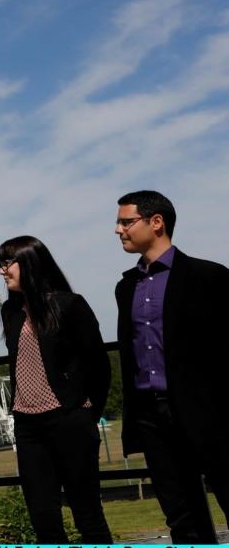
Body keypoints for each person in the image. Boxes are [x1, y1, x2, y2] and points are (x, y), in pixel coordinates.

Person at [113, 190, 229, 542]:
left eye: (126, 221)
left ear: (157, 222)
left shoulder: (210, 277)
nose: (118, 230)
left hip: (207, 411)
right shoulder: (126, 287)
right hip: (151, 416)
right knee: (181, 516)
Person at [0, 235, 112, 542]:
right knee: (43, 516)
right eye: (0, 264)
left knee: (86, 512)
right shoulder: (9, 312)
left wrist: (85, 411)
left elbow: (99, 366)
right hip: (27, 426)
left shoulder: (69, 305)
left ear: (31, 262)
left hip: (69, 420)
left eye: (8, 263)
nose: (2, 271)